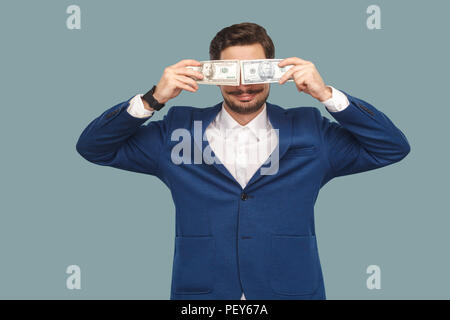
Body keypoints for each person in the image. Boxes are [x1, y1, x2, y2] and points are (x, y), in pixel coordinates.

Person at [76, 22, 410, 300]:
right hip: (202, 296)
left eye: (253, 71)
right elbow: (94, 147)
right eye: (230, 72)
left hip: (292, 290)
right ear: (212, 74)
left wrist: (327, 96)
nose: (243, 85)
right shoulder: (178, 129)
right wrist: (153, 99)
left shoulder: (311, 130)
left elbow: (391, 147)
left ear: (273, 70)